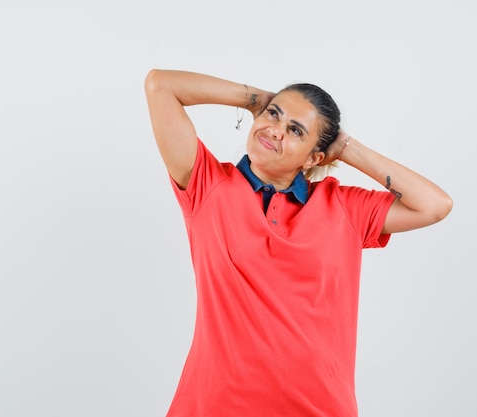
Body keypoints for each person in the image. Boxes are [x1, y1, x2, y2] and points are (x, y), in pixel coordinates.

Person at [144, 69, 453, 417]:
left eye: (296, 130)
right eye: (275, 114)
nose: (275, 129)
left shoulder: (344, 207)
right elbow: (161, 85)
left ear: (314, 158)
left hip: (318, 408)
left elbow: (434, 205)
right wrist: (259, 100)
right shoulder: (207, 185)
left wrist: (347, 149)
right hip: (214, 405)